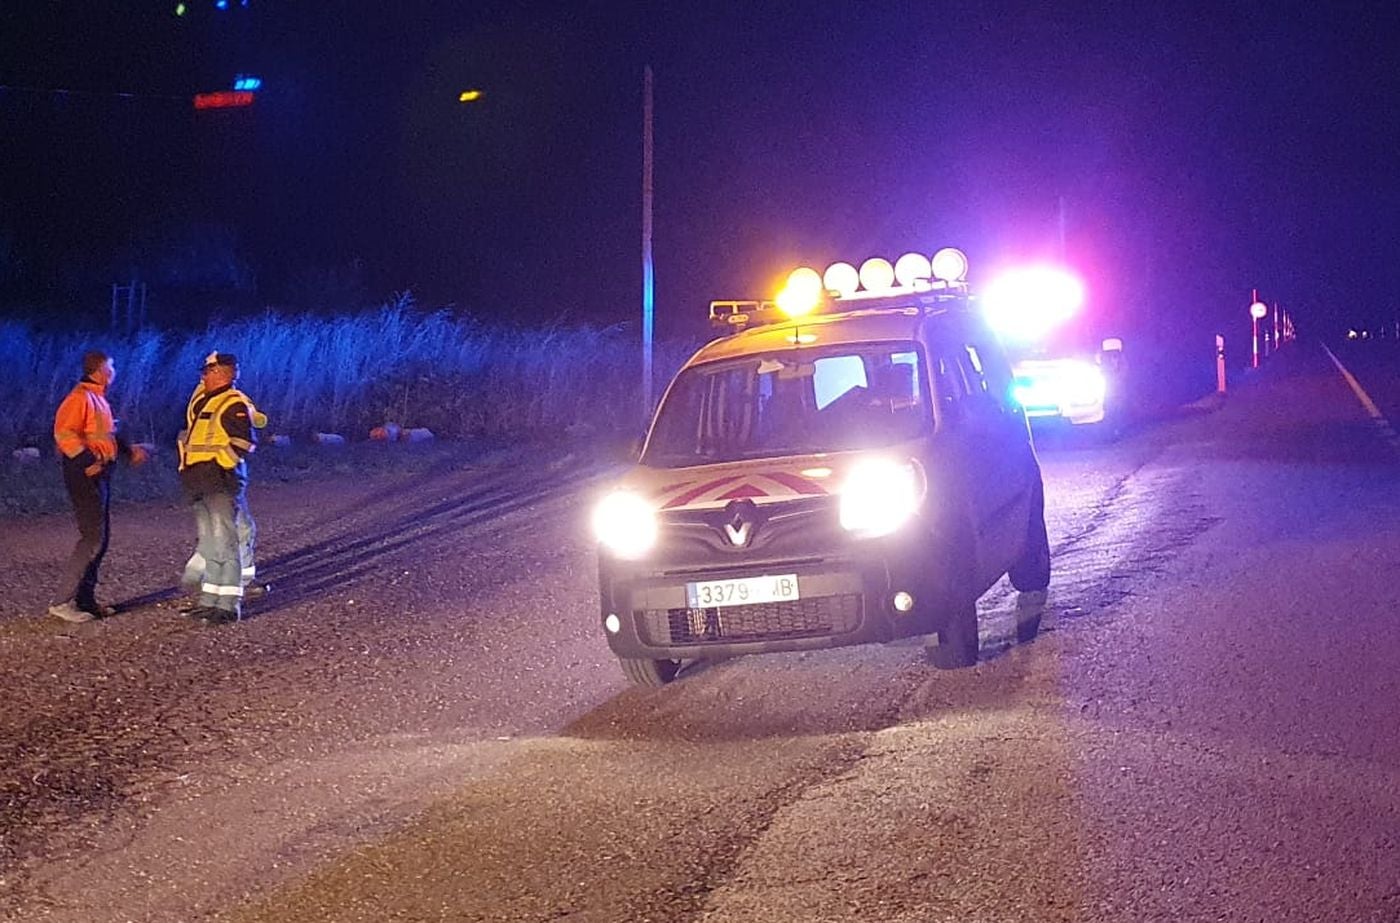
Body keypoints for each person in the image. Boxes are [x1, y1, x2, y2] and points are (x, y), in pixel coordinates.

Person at [49, 350, 148, 622]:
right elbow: (64, 433)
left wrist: (128, 451)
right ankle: (63, 601)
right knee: (92, 538)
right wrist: (87, 460)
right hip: (84, 474)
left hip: (98, 472)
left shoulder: (98, 399)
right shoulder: (80, 398)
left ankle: (85, 600)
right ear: (101, 370)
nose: (114, 372)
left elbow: (107, 435)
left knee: (100, 539)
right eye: (111, 367)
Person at [178, 352, 258, 624]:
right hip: (200, 481)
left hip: (219, 482)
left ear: (222, 373)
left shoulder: (232, 402)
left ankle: (228, 606)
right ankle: (209, 601)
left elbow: (243, 444)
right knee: (212, 545)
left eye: (208, 371)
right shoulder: (207, 400)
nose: (203, 376)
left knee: (225, 543)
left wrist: (219, 466)